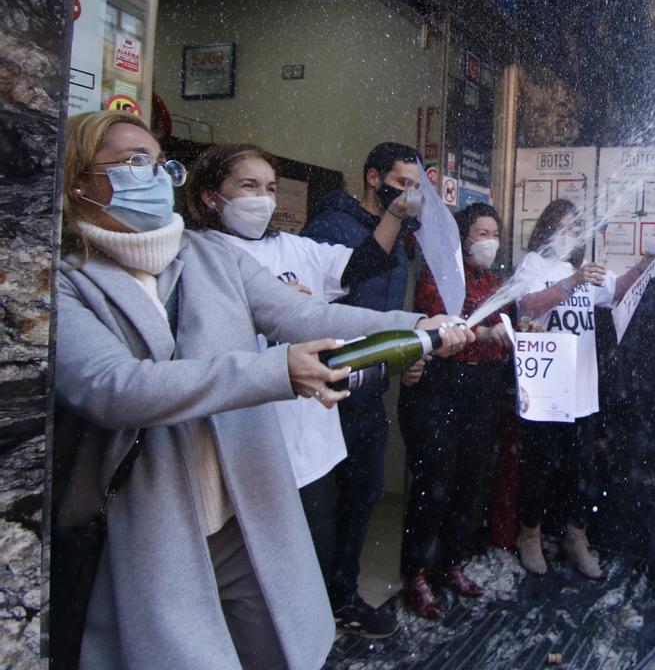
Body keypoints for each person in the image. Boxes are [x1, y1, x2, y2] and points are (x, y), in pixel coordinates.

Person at [51, 111, 470, 668]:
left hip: (239, 508)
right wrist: (273, 373)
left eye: (159, 163)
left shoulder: (209, 256)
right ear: (79, 180)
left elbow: (302, 315)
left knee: (280, 643)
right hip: (153, 519)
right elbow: (112, 389)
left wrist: (413, 328)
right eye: (133, 162)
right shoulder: (65, 281)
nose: (152, 175)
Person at [181, 142, 427, 637]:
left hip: (309, 433)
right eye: (247, 186)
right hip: (242, 432)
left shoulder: (292, 249)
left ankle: (316, 629)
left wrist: (398, 215)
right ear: (210, 195)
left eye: (270, 187)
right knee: (248, 567)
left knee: (315, 542)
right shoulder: (194, 256)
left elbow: (357, 269)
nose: (263, 198)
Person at [300, 142, 463, 630]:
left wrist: (407, 356)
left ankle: (343, 596)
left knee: (363, 493)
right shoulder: (333, 227)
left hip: (371, 389)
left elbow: (387, 312)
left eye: (417, 187)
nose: (411, 195)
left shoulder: (403, 237)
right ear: (374, 178)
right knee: (323, 504)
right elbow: (341, 299)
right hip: (329, 387)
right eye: (403, 183)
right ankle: (310, 607)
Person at [511, 199, 654, 579]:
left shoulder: (586, 270)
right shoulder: (533, 265)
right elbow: (525, 307)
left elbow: (619, 290)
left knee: (583, 470)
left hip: (582, 391)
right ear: (545, 228)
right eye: (561, 225)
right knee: (539, 467)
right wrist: (571, 282)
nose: (568, 233)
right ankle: (530, 536)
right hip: (544, 392)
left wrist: (645, 262)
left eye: (575, 227)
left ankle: (576, 538)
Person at [399, 203, 513, 619]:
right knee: (434, 481)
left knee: (471, 480)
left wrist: (518, 335)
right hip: (440, 386)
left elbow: (506, 328)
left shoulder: (495, 280)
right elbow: (438, 323)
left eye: (494, 233)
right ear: (463, 236)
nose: (489, 240)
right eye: (482, 232)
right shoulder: (439, 273)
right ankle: (415, 574)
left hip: (482, 389)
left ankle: (451, 564)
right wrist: (483, 332)